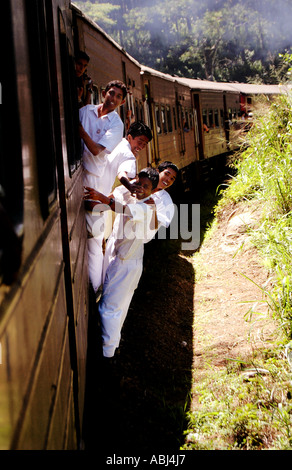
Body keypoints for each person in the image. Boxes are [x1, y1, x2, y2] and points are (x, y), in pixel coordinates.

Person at [84, 167, 159, 359]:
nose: (141, 188)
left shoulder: (147, 207)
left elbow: (121, 208)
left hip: (126, 264)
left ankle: (106, 354)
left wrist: (104, 199)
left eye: (146, 186)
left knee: (109, 308)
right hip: (128, 263)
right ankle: (111, 348)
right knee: (119, 307)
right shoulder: (137, 198)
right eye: (139, 183)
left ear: (153, 190)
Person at [80, 79, 127, 292]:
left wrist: (79, 129)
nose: (113, 98)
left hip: (94, 181)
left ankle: (96, 289)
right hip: (76, 173)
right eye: (111, 93)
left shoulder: (116, 125)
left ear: (122, 102)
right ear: (104, 93)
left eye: (118, 96)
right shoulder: (85, 111)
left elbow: (97, 150)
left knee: (94, 240)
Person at [151, 160, 179, 231]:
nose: (168, 180)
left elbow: (161, 222)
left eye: (172, 179)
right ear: (157, 172)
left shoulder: (166, 201)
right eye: (166, 174)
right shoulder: (140, 185)